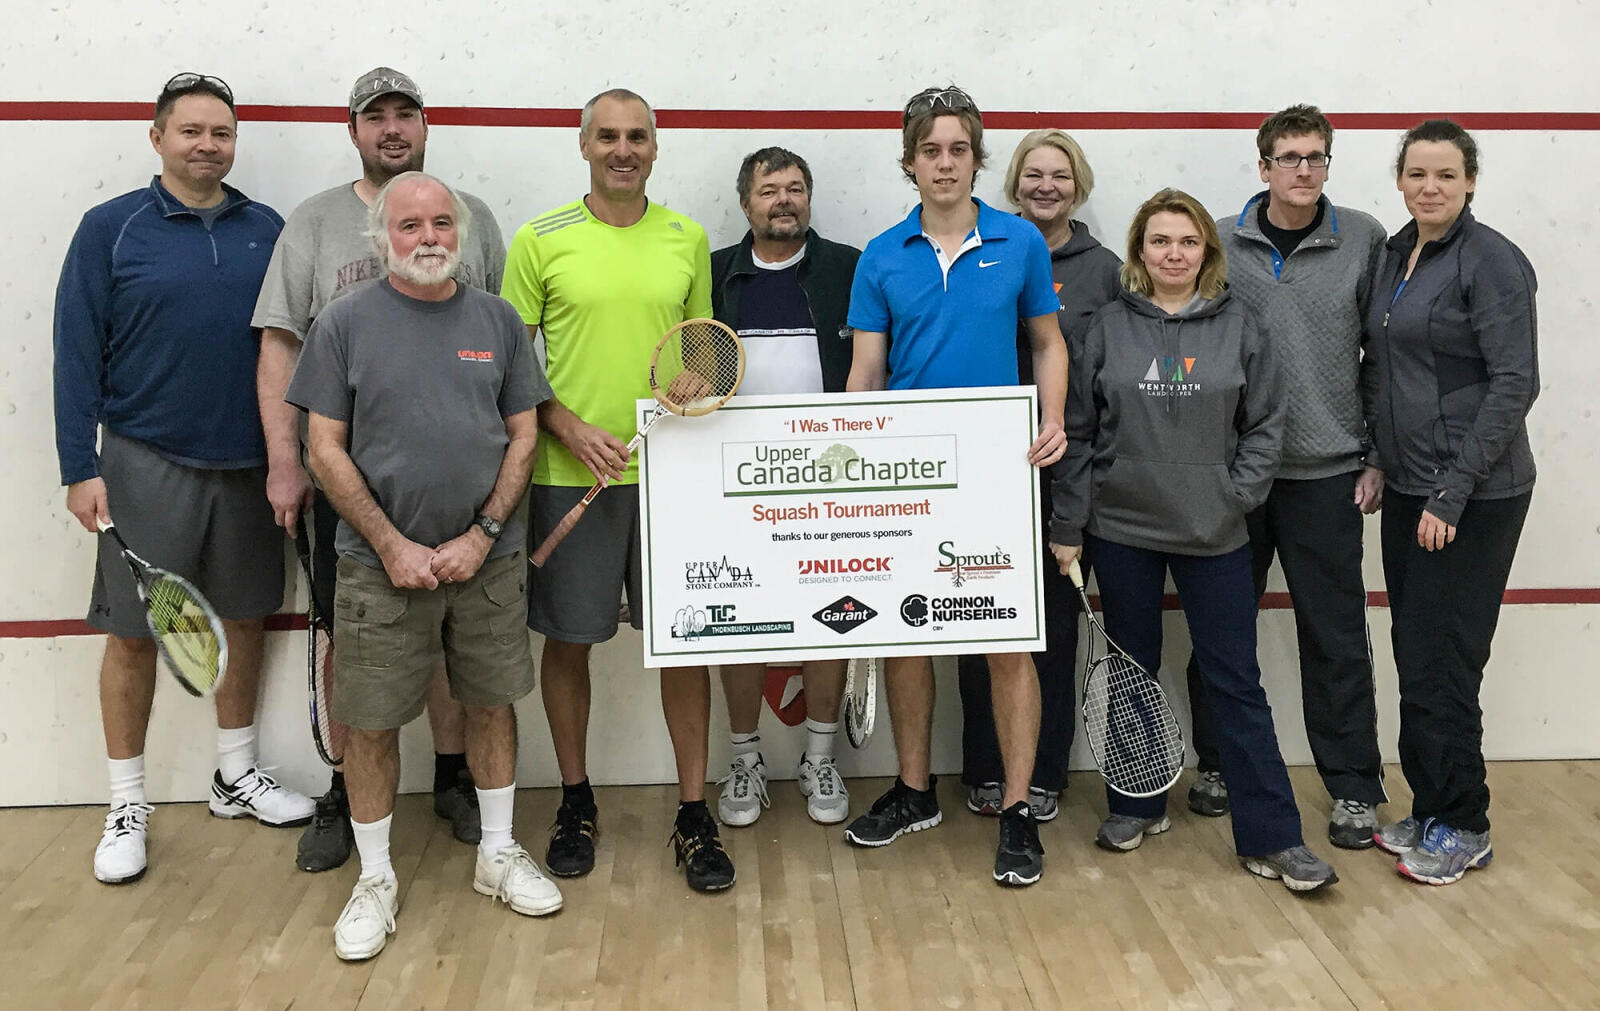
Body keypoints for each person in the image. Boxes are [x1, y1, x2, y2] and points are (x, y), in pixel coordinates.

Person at [286, 172, 559, 961]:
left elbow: (524, 436)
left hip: (489, 560)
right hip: (377, 568)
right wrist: (391, 544)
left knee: (491, 704)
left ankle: (498, 854)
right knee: (368, 722)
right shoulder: (341, 324)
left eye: (443, 222)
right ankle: (375, 878)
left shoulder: (499, 320)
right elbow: (323, 447)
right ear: (381, 238)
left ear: (462, 235)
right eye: (410, 225)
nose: (429, 236)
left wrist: (481, 534)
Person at [53, 72, 314, 886]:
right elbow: (73, 351)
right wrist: (78, 467)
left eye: (222, 132)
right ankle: (126, 802)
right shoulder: (111, 229)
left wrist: (293, 456)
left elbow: (292, 349)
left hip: (250, 463)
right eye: (192, 130)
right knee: (134, 634)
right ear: (158, 136)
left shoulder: (266, 228)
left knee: (243, 616)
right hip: (143, 459)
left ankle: (235, 772)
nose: (208, 144)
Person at [253, 67, 508, 872]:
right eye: (377, 117)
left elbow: (494, 344)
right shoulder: (315, 223)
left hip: (462, 495)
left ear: (425, 125)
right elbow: (279, 345)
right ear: (353, 129)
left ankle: (452, 773)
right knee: (349, 637)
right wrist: (286, 463)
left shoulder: (473, 220)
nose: (392, 128)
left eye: (407, 114)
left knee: (447, 636)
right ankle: (344, 787)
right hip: (351, 491)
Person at [1054, 188, 1341, 892]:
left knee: (1235, 681)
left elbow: (1267, 423)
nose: (1173, 253)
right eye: (1159, 241)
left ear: (1204, 253)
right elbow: (1080, 430)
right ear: (1140, 252)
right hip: (1121, 529)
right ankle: (1135, 804)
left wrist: (1236, 496)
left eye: (1186, 242)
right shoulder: (1106, 327)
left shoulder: (1241, 324)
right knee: (1132, 672)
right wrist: (1069, 525)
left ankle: (1272, 836)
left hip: (1215, 533)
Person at [501, 89, 734, 893]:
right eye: (608, 136)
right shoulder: (539, 239)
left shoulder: (687, 237)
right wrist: (565, 425)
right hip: (569, 478)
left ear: (656, 147)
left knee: (683, 644)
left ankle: (695, 812)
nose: (623, 148)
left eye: (638, 136)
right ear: (584, 144)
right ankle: (574, 800)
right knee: (570, 643)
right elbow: (512, 366)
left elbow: (701, 350)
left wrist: (690, 387)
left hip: (672, 480)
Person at [841, 86, 1070, 887]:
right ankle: (913, 790)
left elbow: (1046, 343)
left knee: (1007, 641)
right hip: (906, 470)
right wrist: (857, 455)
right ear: (910, 162)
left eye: (958, 149)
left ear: (978, 158)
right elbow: (865, 372)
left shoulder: (1021, 243)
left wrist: (1054, 418)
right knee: (906, 634)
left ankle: (1015, 809)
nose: (945, 162)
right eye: (930, 150)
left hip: (997, 470)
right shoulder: (880, 254)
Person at [1183, 105, 1389, 850]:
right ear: (1262, 165)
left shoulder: (1363, 237)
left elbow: (1383, 356)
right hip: (1235, 474)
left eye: (1317, 157)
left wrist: (1376, 454)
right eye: (1290, 157)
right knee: (1221, 629)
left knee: (1334, 635)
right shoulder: (1217, 239)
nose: (1305, 170)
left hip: (1327, 472)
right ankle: (1218, 765)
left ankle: (1356, 788)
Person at [1365, 121, 1537, 886]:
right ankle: (1432, 806)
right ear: (1399, 180)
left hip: (1473, 495)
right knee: (1416, 653)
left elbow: (1514, 384)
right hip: (1409, 488)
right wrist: (1377, 459)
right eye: (1417, 173)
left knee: (1446, 661)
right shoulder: (1396, 252)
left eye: (1445, 174)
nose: (1429, 186)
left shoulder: (1491, 260)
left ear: (1470, 181)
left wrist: (1451, 493)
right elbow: (1382, 368)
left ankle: (1465, 823)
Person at [958, 129, 1121, 823]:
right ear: (1013, 183)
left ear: (1076, 184)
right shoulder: (983, 248)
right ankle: (985, 766)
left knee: (1052, 623)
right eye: (1033, 174)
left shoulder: (1107, 268)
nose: (1045, 185)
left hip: (1063, 469)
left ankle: (1045, 770)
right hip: (980, 466)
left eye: (1059, 174)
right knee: (975, 617)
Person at [708, 146, 861, 828]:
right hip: (735, 488)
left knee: (836, 612)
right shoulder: (711, 276)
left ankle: (819, 756)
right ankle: (745, 760)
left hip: (832, 483)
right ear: (746, 203)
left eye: (796, 188)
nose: (784, 200)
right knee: (739, 623)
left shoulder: (851, 270)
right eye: (770, 190)